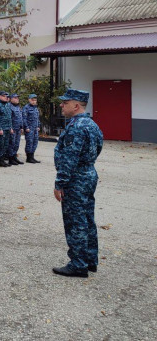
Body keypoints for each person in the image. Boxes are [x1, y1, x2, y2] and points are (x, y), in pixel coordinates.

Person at [52, 89, 103, 278]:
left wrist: (60, 183)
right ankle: (90, 260)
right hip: (88, 174)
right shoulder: (92, 124)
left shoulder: (76, 126)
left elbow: (69, 158)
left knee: (76, 221)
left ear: (76, 106)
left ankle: (78, 264)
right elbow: (97, 149)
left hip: (76, 178)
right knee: (87, 218)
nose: (61, 105)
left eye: (65, 103)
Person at [0, 91, 13, 168]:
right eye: (4, 96)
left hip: (7, 127)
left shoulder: (7, 105)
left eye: (6, 96)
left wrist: (10, 127)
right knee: (0, 145)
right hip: (1, 128)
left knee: (5, 144)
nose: (6, 97)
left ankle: (3, 160)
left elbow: (9, 117)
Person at [23, 94, 41, 163]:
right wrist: (26, 127)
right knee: (29, 142)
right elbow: (24, 118)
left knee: (35, 142)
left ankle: (32, 156)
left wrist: (38, 126)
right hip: (29, 128)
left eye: (35, 100)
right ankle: (28, 158)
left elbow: (37, 118)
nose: (34, 101)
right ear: (29, 100)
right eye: (32, 100)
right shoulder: (26, 108)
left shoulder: (35, 108)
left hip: (35, 129)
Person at [8, 94, 25, 165]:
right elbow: (9, 118)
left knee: (16, 144)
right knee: (11, 144)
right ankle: (10, 158)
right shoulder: (9, 106)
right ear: (11, 99)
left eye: (17, 98)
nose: (17, 99)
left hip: (18, 128)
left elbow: (20, 118)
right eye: (15, 98)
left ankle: (14, 157)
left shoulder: (18, 107)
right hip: (13, 128)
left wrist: (21, 127)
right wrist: (10, 127)